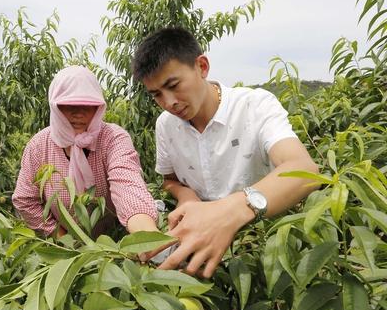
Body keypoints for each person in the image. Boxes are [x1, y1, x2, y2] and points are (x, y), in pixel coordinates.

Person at [131, 27, 319, 278]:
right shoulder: (166, 125)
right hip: (201, 251)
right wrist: (187, 197)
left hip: (262, 248)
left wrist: (230, 211)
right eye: (156, 95)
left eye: (173, 85)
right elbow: (169, 180)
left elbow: (304, 171)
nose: (169, 102)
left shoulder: (255, 106)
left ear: (202, 66)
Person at [12, 65, 159, 238]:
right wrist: (62, 239)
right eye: (68, 105)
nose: (78, 113)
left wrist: (147, 236)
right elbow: (25, 199)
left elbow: (127, 183)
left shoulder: (112, 138)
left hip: (115, 241)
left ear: (98, 108)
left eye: (87, 105)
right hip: (65, 246)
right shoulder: (39, 146)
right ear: (55, 107)